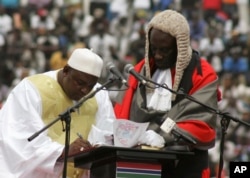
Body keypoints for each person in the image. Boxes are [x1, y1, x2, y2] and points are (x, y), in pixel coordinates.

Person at [114, 10, 221, 178]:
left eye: (164, 50)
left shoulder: (202, 74)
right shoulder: (139, 71)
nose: (157, 55)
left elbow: (202, 123)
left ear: (180, 46)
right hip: (139, 162)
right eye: (153, 48)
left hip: (184, 164)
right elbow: (122, 111)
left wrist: (164, 136)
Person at [0, 48, 116, 178]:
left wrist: (94, 147)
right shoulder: (31, 89)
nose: (85, 90)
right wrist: (62, 152)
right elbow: (20, 139)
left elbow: (107, 134)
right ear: (66, 70)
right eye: (80, 83)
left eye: (91, 85)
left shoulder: (98, 93)